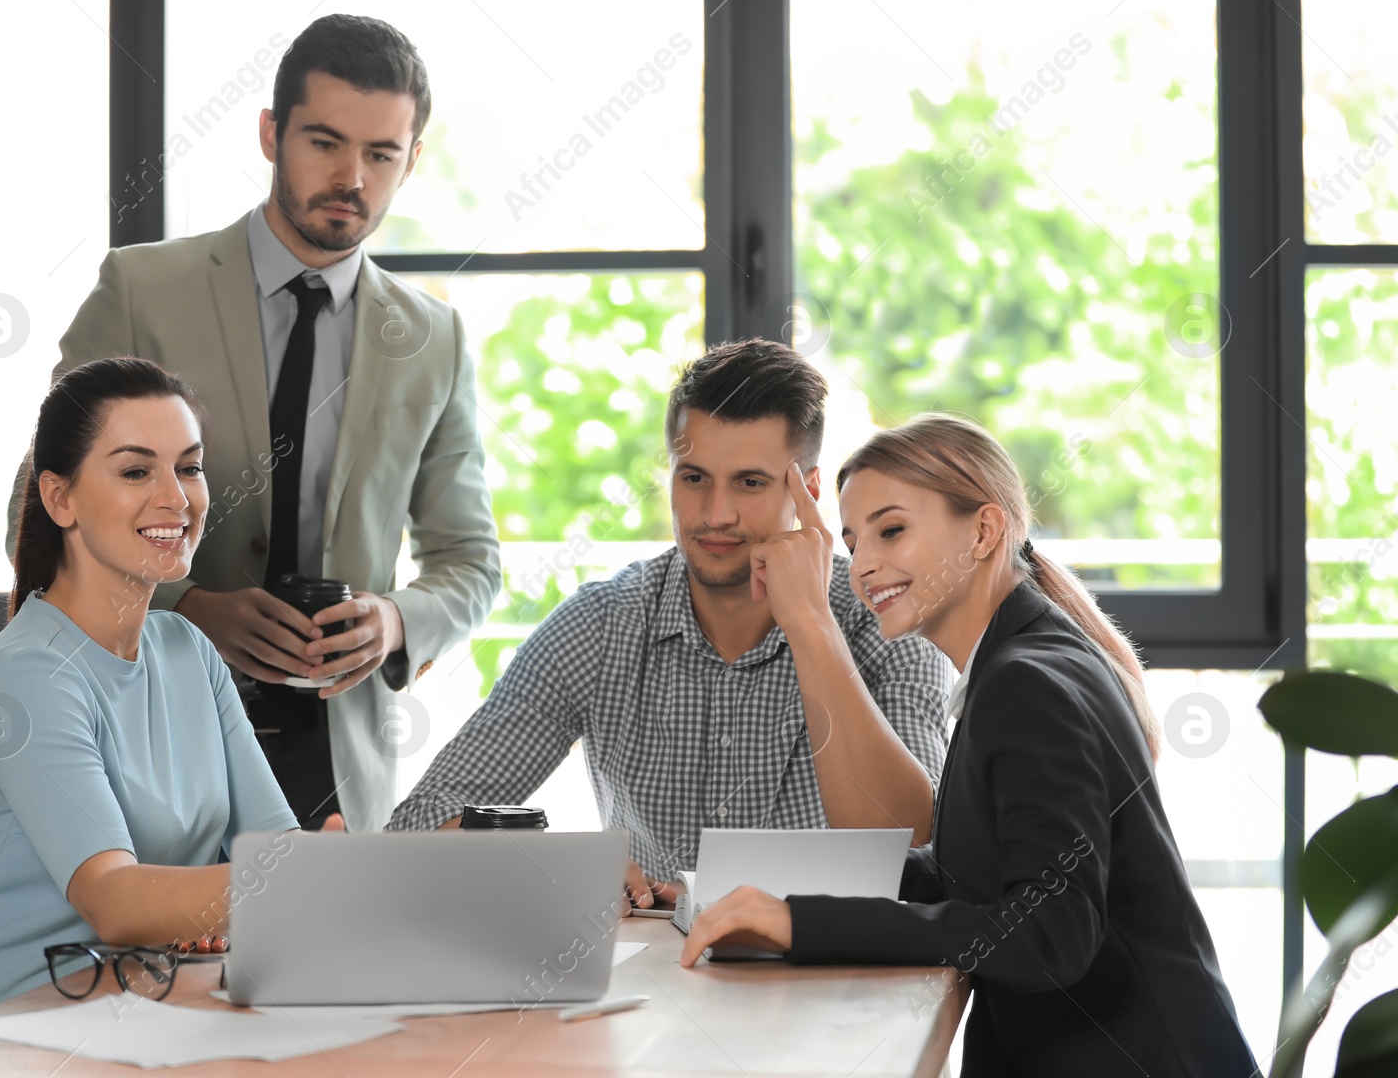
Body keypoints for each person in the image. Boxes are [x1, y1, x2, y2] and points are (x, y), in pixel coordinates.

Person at [4, 14, 499, 833]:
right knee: (161, 956)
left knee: (333, 962)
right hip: (146, 722)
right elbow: (39, 499)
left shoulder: (433, 339)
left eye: (381, 154)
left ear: (412, 160)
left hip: (336, 755)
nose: (351, 177)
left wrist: (394, 620)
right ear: (271, 134)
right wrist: (190, 602)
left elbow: (471, 562)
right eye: (324, 142)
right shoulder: (141, 289)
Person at [680, 413, 1258, 1077]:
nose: (863, 564)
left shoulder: (1025, 683)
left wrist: (801, 923)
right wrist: (731, 888)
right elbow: (968, 873)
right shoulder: (1020, 662)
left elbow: (1048, 936)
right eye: (852, 539)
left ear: (983, 531)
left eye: (891, 529)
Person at [387, 340, 952, 910]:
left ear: (806, 491)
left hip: (845, 982)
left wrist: (810, 625)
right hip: (656, 985)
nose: (715, 514)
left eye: (749, 483)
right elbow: (419, 823)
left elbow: (918, 848)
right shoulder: (601, 625)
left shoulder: (888, 620)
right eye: (695, 478)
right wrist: (559, 870)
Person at [0, 359, 299, 1048]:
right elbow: (118, 902)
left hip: (107, 1030)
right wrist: (315, 884)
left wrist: (328, 876)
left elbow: (276, 850)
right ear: (59, 498)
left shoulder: (187, 651)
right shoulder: (28, 679)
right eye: (137, 471)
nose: (177, 498)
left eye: (188, 468)